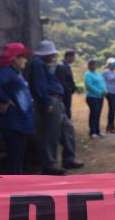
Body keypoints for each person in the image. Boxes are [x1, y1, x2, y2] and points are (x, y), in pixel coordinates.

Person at [28, 40, 84, 175]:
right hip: (50, 100)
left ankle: (69, 158)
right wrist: (47, 102)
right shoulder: (37, 65)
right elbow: (39, 86)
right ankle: (49, 165)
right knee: (50, 134)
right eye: (51, 54)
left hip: (57, 100)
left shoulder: (45, 65)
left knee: (67, 129)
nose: (53, 57)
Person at [0, 43, 34, 175]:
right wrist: (4, 99)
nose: (25, 60)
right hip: (13, 121)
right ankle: (14, 182)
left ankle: (17, 178)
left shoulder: (15, 73)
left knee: (18, 153)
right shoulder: (6, 71)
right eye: (23, 57)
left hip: (20, 120)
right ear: (14, 59)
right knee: (15, 153)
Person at [84, 59, 107, 138]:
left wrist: (105, 91)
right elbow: (89, 86)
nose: (93, 66)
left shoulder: (98, 73)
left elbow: (102, 83)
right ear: (89, 66)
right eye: (92, 65)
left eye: (94, 65)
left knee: (98, 114)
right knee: (93, 114)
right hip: (92, 97)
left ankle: (97, 131)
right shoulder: (88, 74)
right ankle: (92, 132)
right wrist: (99, 92)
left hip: (100, 97)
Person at [56, 49, 77, 119]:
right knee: (64, 111)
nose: (74, 59)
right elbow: (62, 81)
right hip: (64, 93)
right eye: (73, 57)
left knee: (67, 109)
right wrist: (69, 89)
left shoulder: (66, 65)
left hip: (67, 93)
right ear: (68, 56)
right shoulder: (61, 66)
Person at [103, 57, 115, 133]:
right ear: (109, 64)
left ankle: (110, 126)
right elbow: (102, 82)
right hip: (109, 92)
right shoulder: (106, 72)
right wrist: (104, 91)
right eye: (113, 64)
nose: (114, 65)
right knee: (112, 109)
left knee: (113, 109)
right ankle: (111, 126)